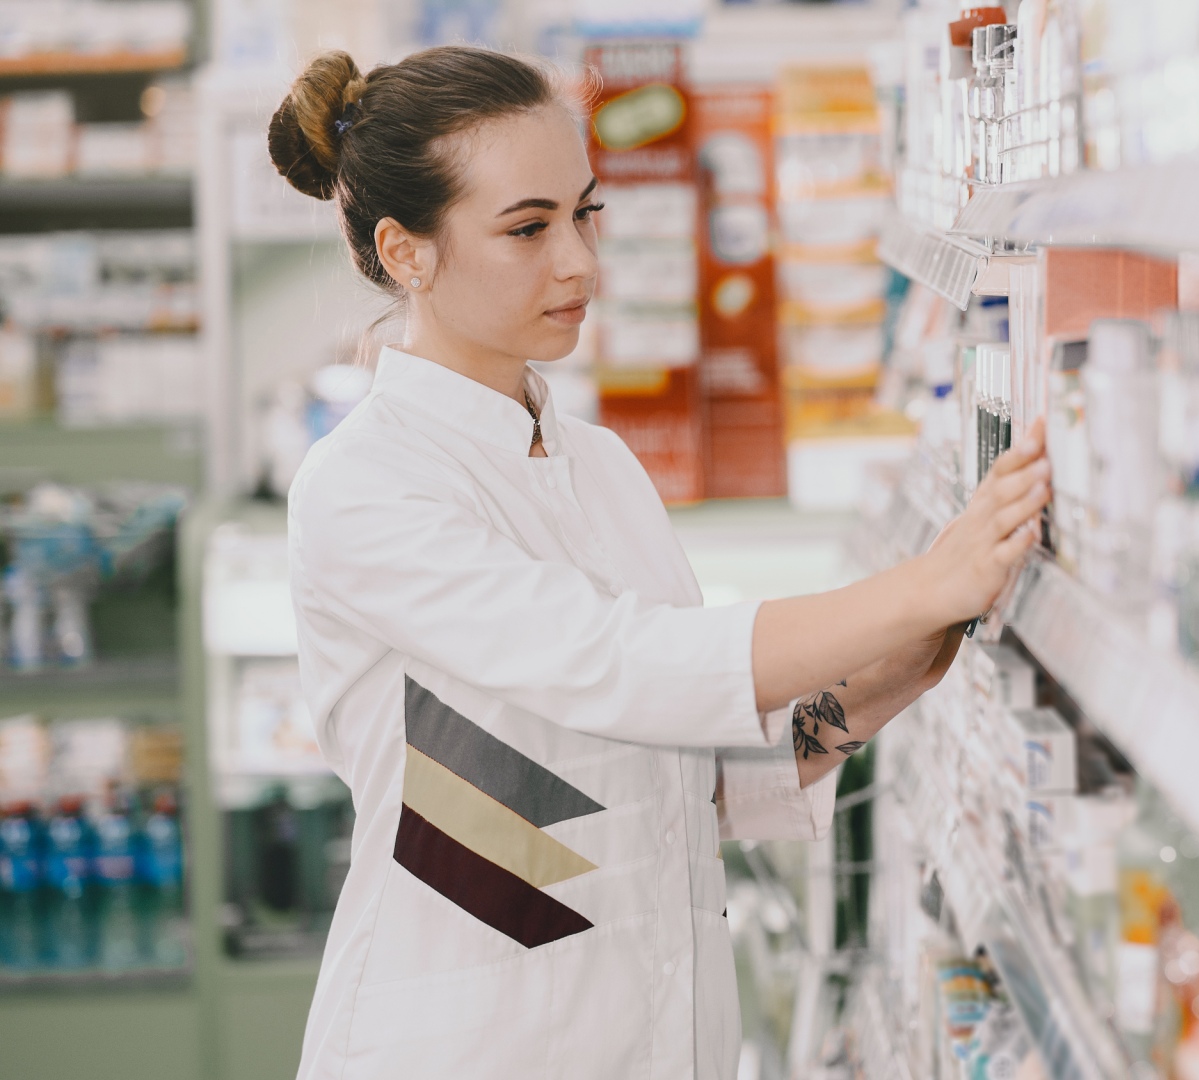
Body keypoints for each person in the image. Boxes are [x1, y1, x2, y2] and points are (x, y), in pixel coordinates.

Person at [269, 46, 1049, 1079]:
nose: (580, 262)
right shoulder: (364, 484)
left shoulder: (599, 465)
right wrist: (920, 583)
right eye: (528, 228)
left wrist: (862, 697)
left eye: (585, 214)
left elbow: (656, 794)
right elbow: (617, 662)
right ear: (404, 252)